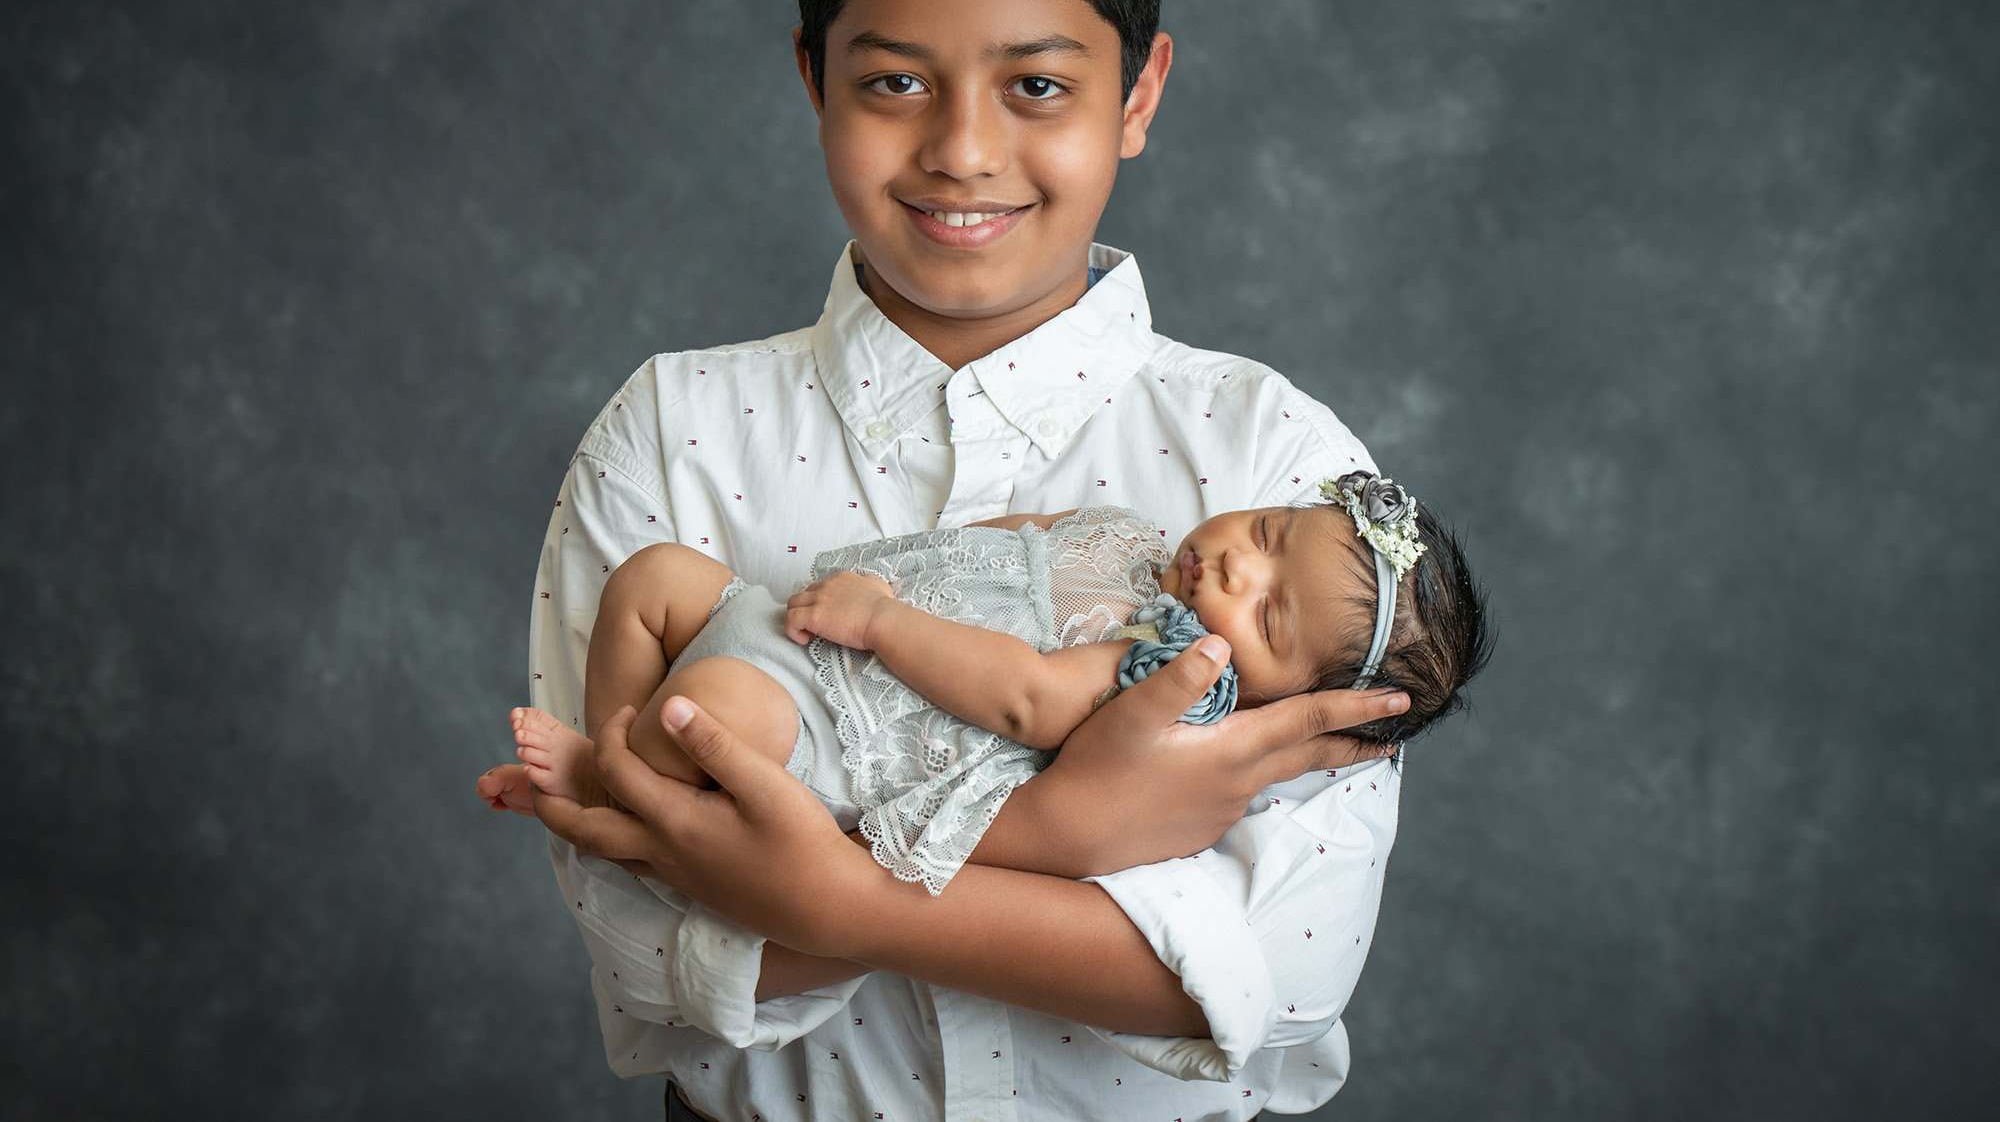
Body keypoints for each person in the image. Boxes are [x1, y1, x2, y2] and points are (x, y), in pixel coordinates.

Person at [474, 0, 1430, 1121]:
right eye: (894, 82)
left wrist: (821, 895)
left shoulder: (1279, 475)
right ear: (813, 74)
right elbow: (643, 953)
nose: (964, 148)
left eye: (1037, 83)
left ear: (1139, 92)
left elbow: (1284, 965)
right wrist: (1079, 848)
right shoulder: (673, 432)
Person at [505, 483, 1486, 903]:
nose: (1236, 568)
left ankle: (618, 785)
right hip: (798, 621)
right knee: (651, 578)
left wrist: (885, 622)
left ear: (1275, 698)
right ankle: (614, 759)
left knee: (711, 713)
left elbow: (1023, 697)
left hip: (837, 718)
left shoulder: (1163, 668)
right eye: (1267, 534)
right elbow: (1011, 542)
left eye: (1268, 619)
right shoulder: (1134, 535)